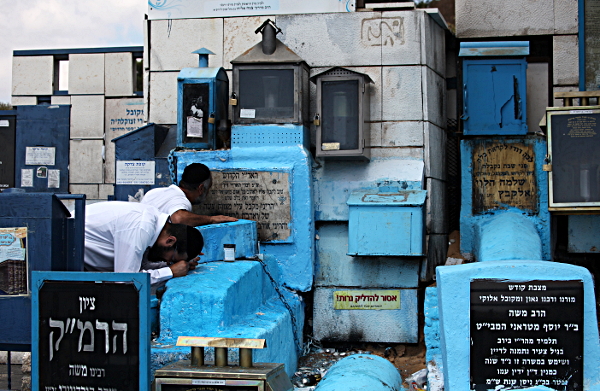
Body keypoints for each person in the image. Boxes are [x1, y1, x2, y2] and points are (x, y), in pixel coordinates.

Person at [84, 201, 204, 286]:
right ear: (170, 241)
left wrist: (170, 267)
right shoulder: (141, 228)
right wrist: (170, 271)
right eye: (172, 258)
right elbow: (125, 281)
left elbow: (141, 265)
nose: (167, 261)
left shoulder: (154, 225)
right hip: (69, 248)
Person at [141, 162, 238, 226]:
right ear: (200, 188)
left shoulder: (153, 193)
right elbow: (179, 218)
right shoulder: (182, 200)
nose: (208, 193)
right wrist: (211, 219)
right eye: (208, 188)